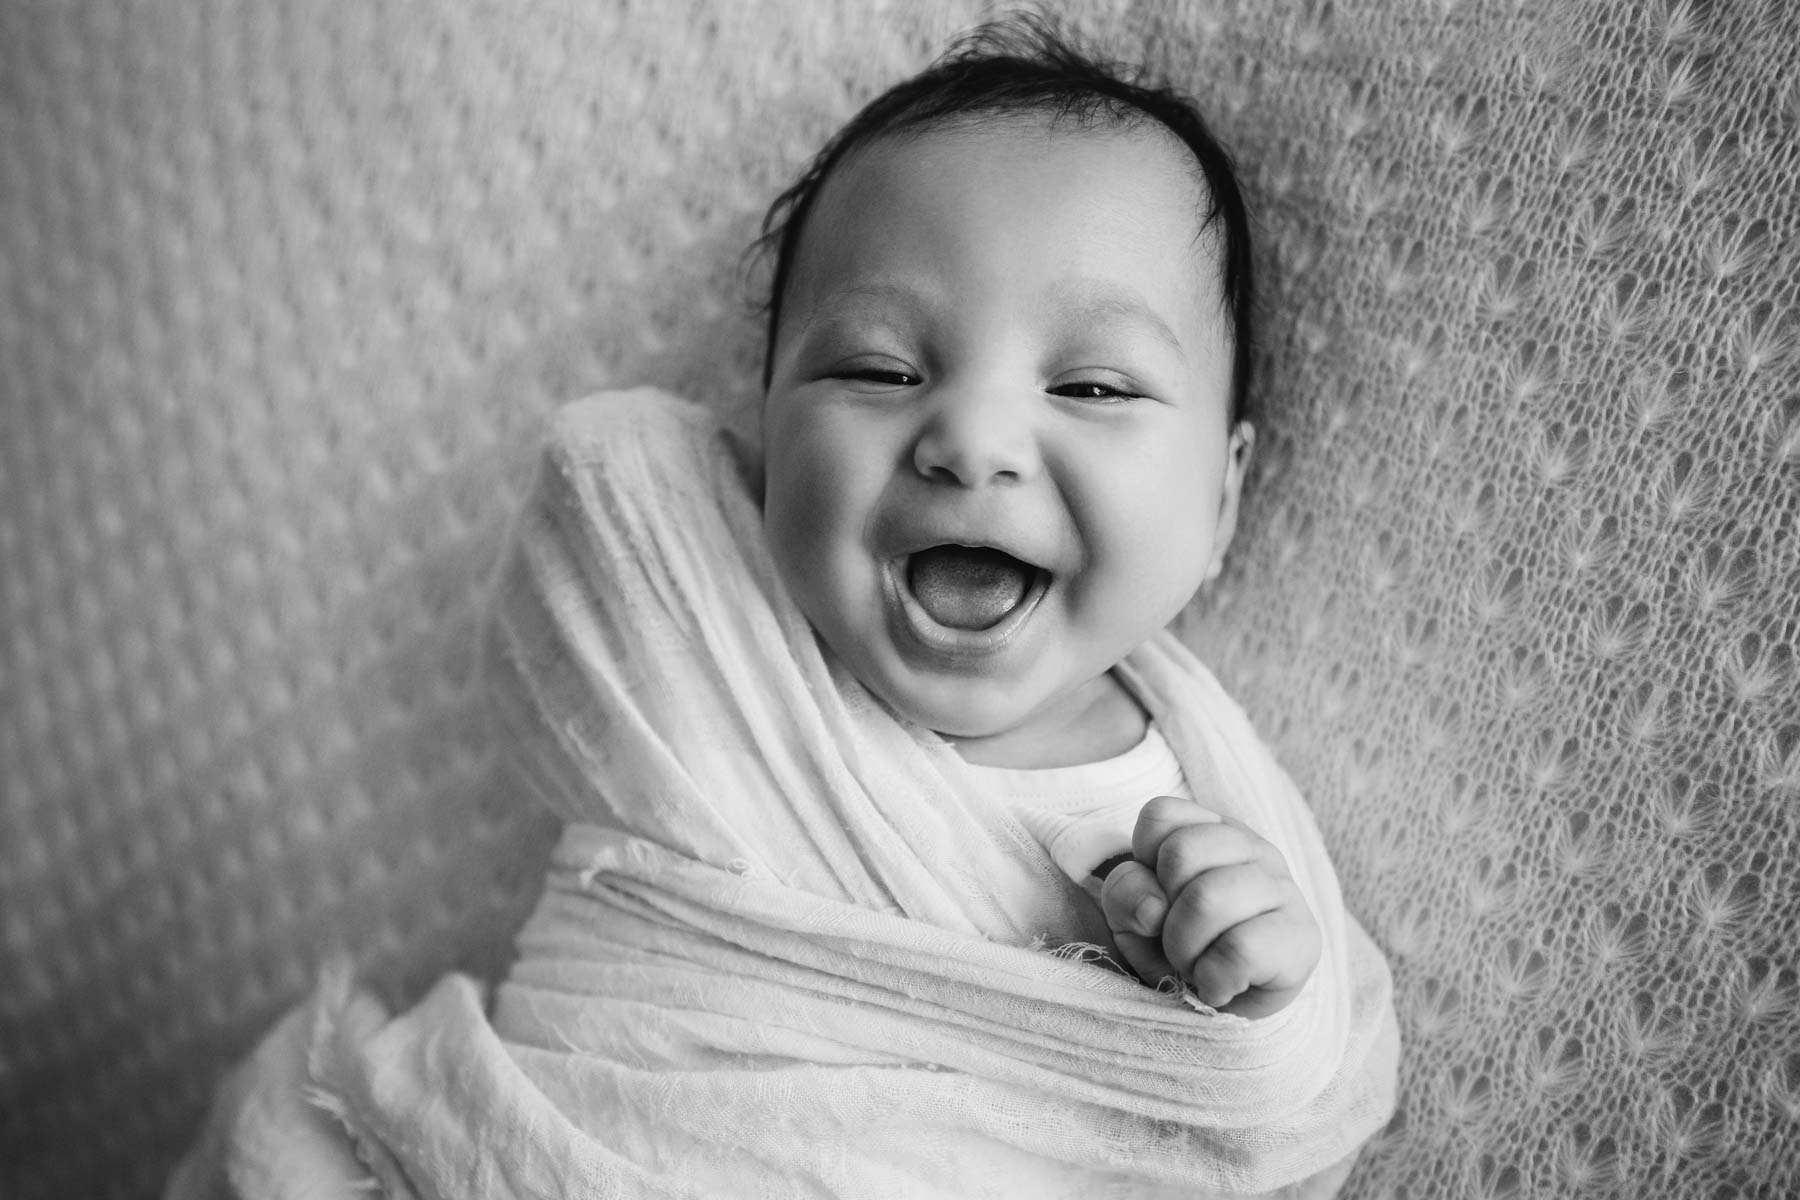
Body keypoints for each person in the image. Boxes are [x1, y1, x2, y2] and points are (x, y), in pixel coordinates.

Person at [168, 16, 1397, 1199]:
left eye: (1091, 382)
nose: (970, 439)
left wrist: (1253, 1000)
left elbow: (1287, 1120)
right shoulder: (705, 640)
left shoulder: (1202, 803)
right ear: (764, 435)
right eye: (878, 368)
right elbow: (600, 503)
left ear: (1223, 498)